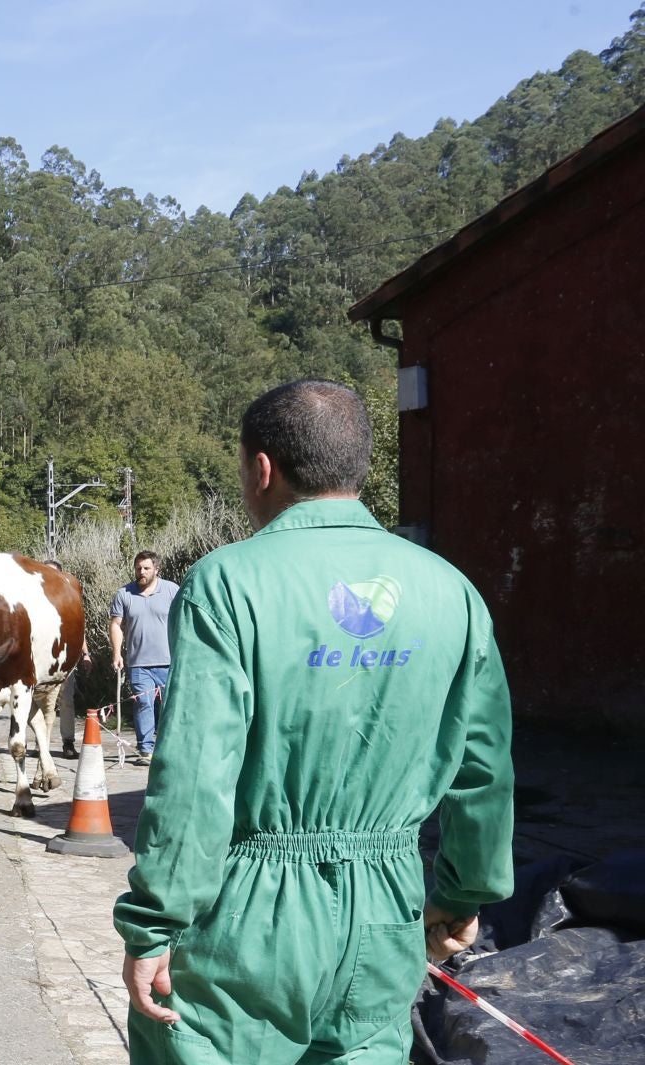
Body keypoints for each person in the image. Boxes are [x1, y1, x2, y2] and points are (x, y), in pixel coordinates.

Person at [114, 379, 514, 1064]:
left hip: (248, 920)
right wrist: (461, 893)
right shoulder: (453, 591)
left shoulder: (227, 581)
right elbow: (484, 771)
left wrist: (155, 924)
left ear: (262, 468)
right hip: (387, 913)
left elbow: (196, 773)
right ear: (360, 466)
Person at [111, 550, 179, 766]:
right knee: (143, 704)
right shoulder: (124, 593)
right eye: (139, 568)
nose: (142, 572)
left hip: (169, 662)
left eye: (146, 568)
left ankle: (169, 748)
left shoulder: (171, 591)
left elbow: (183, 620)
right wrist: (116, 654)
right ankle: (146, 750)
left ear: (156, 569)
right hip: (139, 663)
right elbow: (116, 624)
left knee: (169, 707)